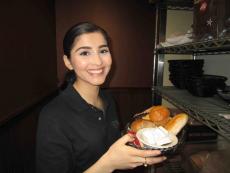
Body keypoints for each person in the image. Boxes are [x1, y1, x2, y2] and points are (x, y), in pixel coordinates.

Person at [36, 22, 166, 173]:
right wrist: (109, 164)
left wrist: (142, 123)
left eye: (103, 51)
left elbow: (111, 142)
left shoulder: (107, 99)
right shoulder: (52, 116)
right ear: (68, 62)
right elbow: (110, 159)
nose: (98, 62)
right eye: (85, 53)